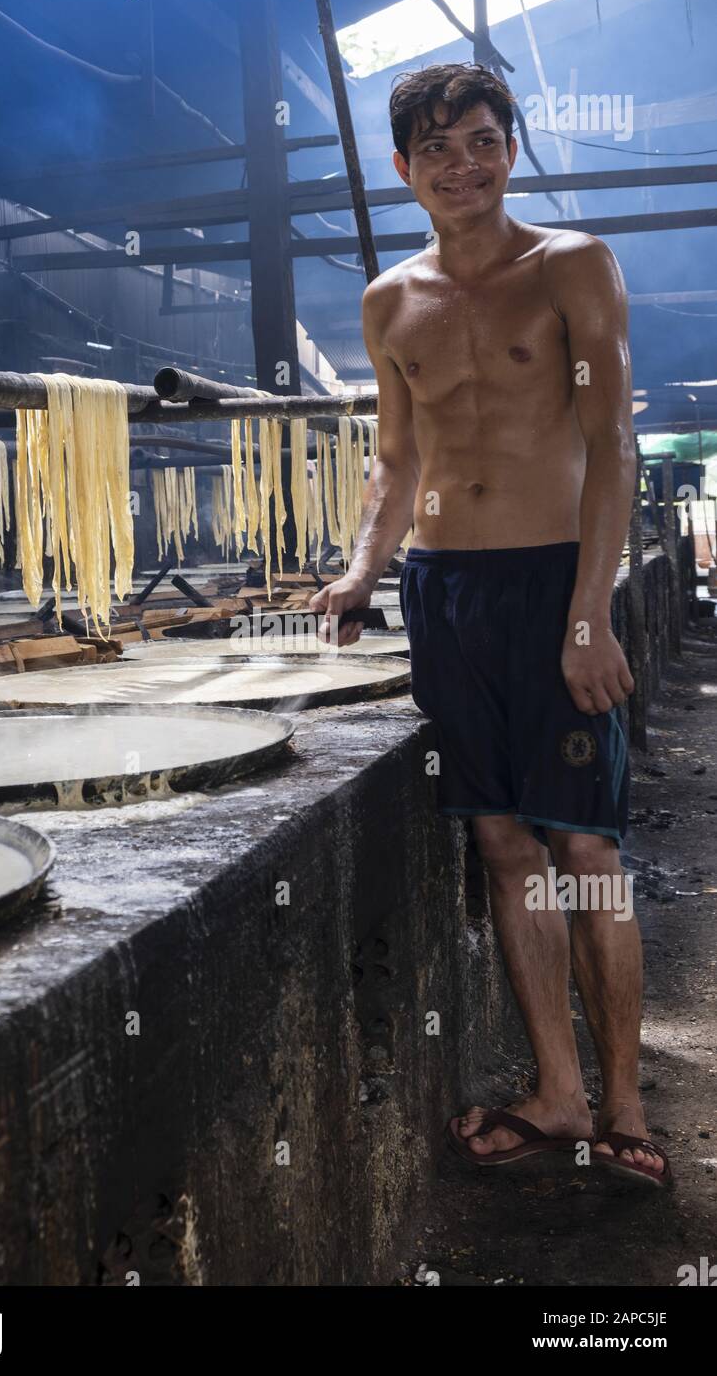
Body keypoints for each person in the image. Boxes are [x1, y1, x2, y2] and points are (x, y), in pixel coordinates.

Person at [309, 63, 670, 1186]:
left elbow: (610, 443)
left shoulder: (569, 265)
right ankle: (555, 1095)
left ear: (508, 149)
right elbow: (394, 459)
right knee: (504, 844)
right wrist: (361, 571)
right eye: (434, 148)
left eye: (479, 141)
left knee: (586, 851)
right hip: (443, 590)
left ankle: (623, 1106)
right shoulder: (388, 300)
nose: (459, 164)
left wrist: (586, 616)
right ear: (402, 166)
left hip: (551, 578)